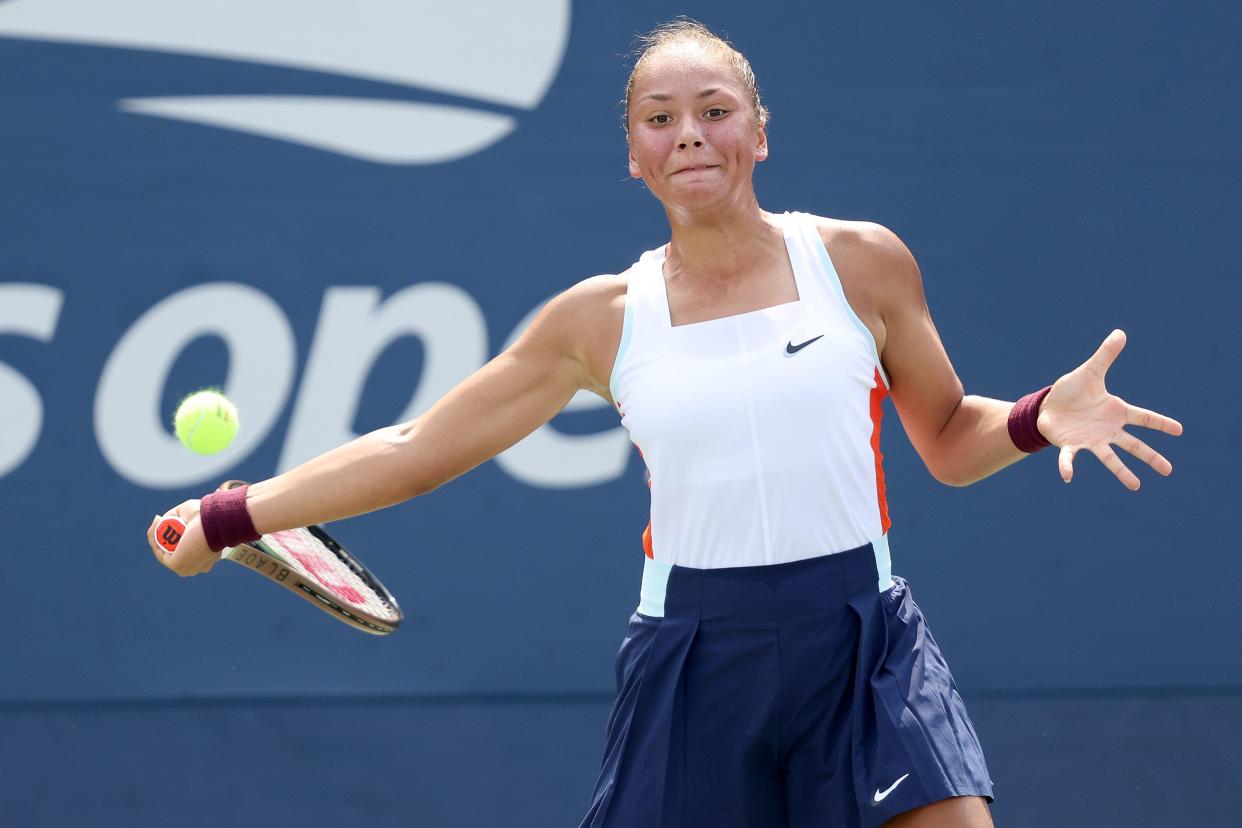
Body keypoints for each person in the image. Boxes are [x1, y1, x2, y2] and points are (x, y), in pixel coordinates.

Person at [146, 19, 1182, 828]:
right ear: (634, 157)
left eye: (715, 108)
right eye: (658, 116)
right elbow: (417, 452)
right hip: (696, 657)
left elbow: (950, 439)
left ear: (759, 133)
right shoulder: (597, 321)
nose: (689, 130)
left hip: (863, 642)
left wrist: (1043, 417)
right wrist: (234, 515)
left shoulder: (862, 262)